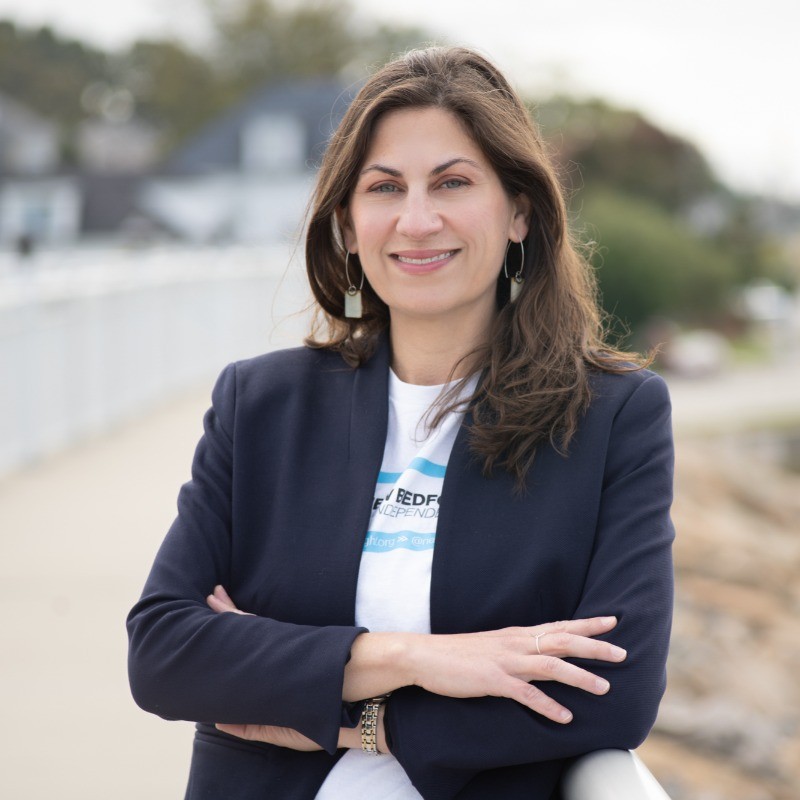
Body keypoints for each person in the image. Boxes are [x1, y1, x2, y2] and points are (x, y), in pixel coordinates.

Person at [127, 46, 674, 800]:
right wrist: (418, 659)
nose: (417, 220)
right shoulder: (260, 406)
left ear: (518, 211)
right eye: (385, 187)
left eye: (452, 182)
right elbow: (165, 654)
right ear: (348, 225)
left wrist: (344, 712)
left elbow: (615, 691)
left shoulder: (613, 415)